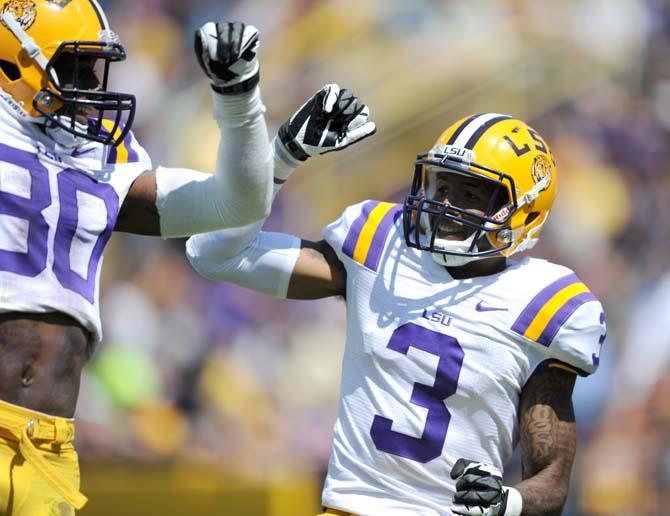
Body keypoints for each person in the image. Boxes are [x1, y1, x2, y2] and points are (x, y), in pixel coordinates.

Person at [0, 1, 375, 513]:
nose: (92, 83)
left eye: (94, 66)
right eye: (74, 66)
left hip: (49, 445)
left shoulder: (96, 152)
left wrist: (240, 101)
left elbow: (232, 203)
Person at [186, 112, 607, 515]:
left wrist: (507, 503)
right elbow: (217, 255)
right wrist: (282, 158)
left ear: (523, 211)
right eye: (442, 186)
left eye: (471, 194)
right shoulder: (379, 244)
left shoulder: (544, 304)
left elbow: (551, 481)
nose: (446, 205)